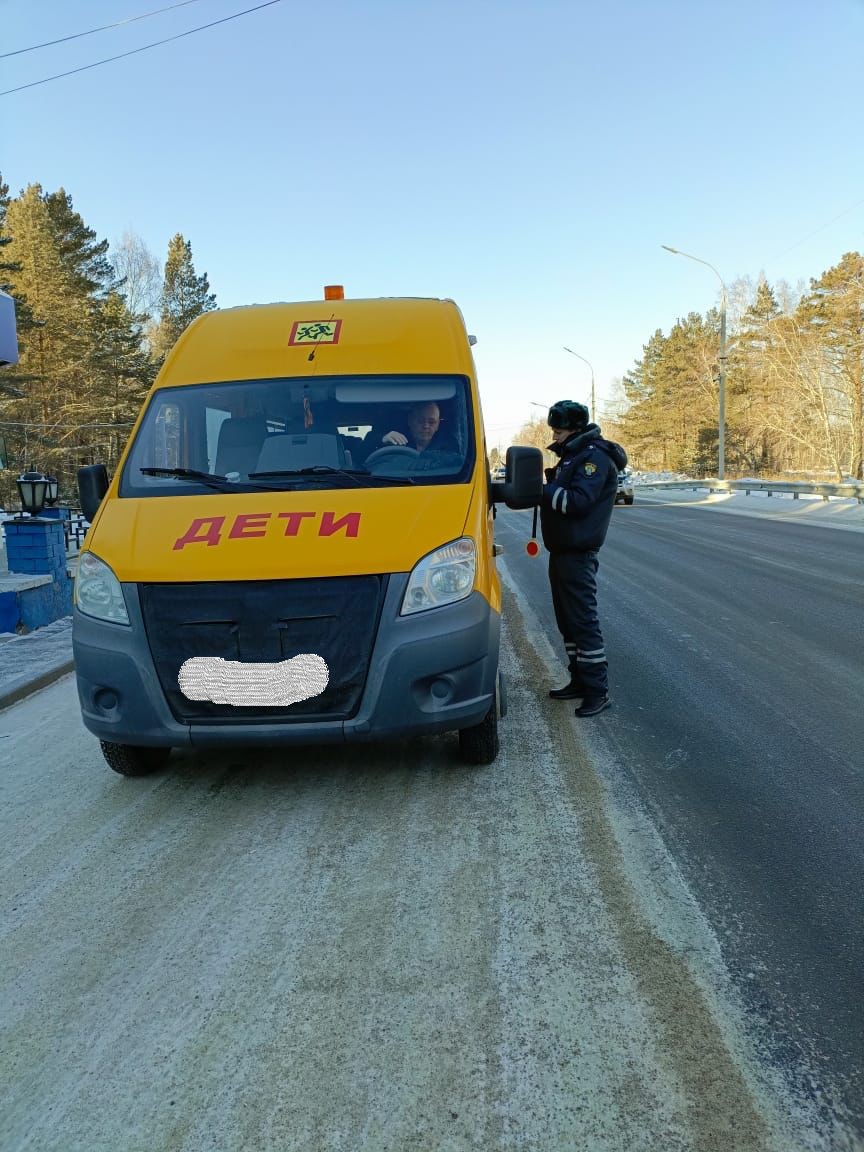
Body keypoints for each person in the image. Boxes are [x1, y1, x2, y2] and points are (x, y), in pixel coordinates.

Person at [540, 400, 627, 716]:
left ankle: (598, 691)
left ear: (575, 429)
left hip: (578, 554)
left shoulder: (593, 459)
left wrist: (543, 490)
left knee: (583, 623)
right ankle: (578, 680)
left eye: (559, 430)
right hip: (562, 553)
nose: (555, 435)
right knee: (568, 623)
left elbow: (577, 502)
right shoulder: (573, 456)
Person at [367, 401, 459, 456]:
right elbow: (360, 455)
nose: (426, 426)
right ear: (410, 421)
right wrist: (381, 439)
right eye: (420, 421)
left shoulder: (449, 446)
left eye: (431, 422)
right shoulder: (394, 441)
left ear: (438, 425)